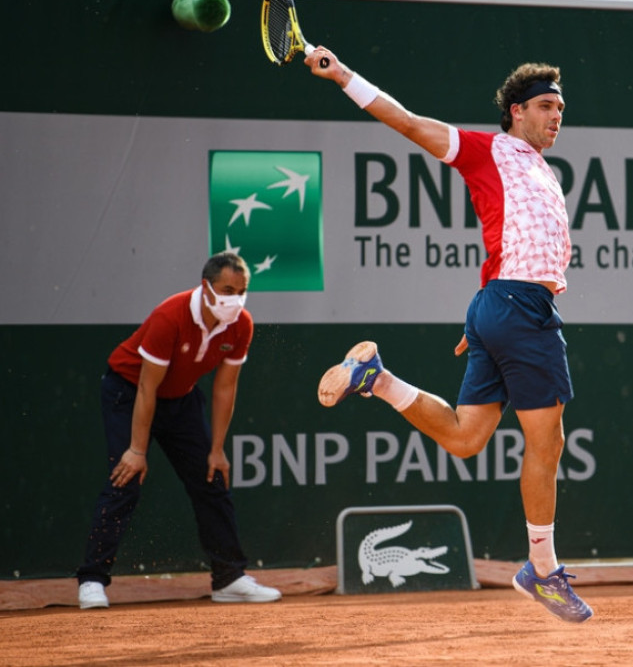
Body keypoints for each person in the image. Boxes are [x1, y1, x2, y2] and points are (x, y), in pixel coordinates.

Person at [304, 46, 593, 623]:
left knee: (465, 439)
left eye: (560, 108)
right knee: (548, 444)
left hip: (500, 305)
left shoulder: (542, 171)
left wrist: (482, 315)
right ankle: (541, 570)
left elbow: (510, 243)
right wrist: (343, 76)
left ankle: (378, 380)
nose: (555, 116)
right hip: (520, 309)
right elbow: (408, 121)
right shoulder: (488, 150)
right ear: (515, 112)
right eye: (543, 107)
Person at [76, 252, 281, 608]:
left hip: (181, 399)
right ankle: (92, 580)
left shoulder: (241, 324)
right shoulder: (169, 316)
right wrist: (137, 450)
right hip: (129, 391)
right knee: (125, 478)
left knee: (211, 477)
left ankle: (228, 578)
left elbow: (224, 388)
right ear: (206, 287)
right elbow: (146, 388)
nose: (235, 298)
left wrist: (217, 448)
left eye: (242, 290)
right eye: (227, 289)